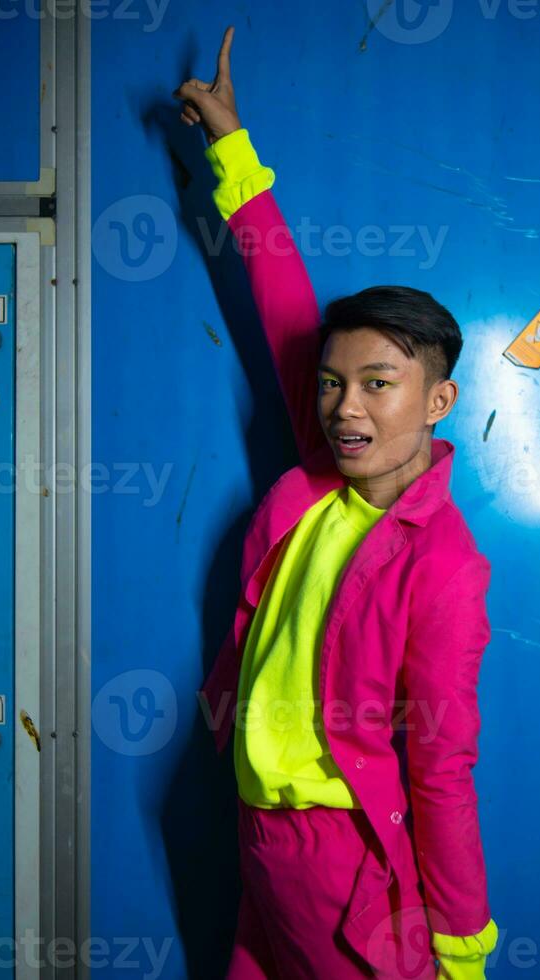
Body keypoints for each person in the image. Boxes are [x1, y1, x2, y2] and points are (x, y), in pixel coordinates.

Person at [173, 25, 499, 980]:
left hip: (346, 866)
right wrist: (232, 152)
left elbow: (441, 765)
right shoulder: (320, 476)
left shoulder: (443, 563)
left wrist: (460, 945)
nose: (345, 406)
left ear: (438, 402)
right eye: (329, 383)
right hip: (257, 842)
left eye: (379, 383)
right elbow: (282, 304)